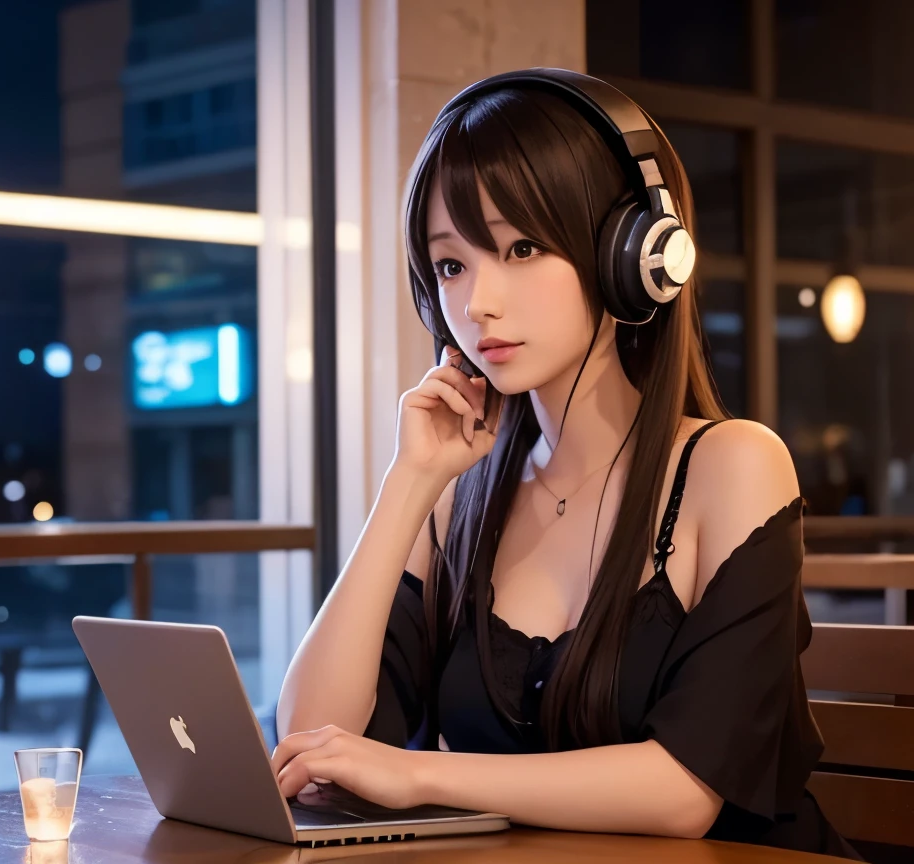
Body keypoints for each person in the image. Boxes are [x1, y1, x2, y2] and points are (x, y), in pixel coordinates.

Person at [272, 70, 860, 859]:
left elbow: (685, 790)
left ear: (632, 257)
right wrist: (408, 483)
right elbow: (314, 744)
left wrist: (424, 777)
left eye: (520, 248)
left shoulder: (732, 466)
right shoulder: (457, 500)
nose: (478, 301)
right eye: (451, 265)